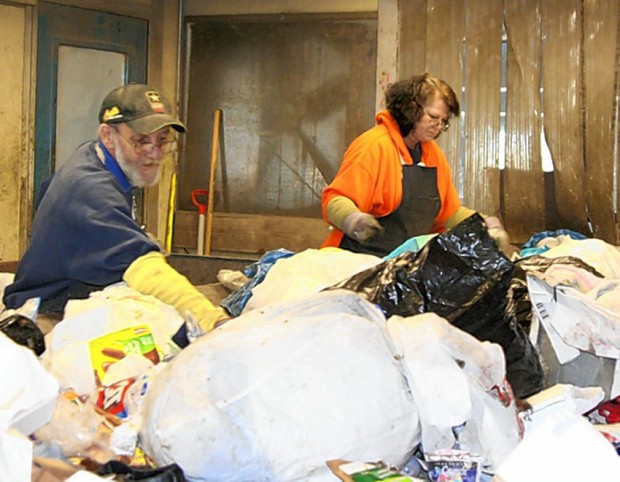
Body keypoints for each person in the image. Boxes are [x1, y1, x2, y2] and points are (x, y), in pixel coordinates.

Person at [3, 83, 228, 332]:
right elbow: (144, 269)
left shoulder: (93, 157)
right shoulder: (90, 187)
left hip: (78, 296)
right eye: (141, 142)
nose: (154, 154)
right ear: (108, 135)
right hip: (49, 315)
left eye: (162, 141)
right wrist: (213, 321)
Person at [321, 72, 511, 257]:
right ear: (411, 109)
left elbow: (448, 214)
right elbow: (335, 199)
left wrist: (485, 223)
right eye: (433, 117)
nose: (438, 126)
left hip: (401, 265)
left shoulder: (433, 155)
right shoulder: (374, 146)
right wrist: (352, 219)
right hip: (357, 261)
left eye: (443, 121)